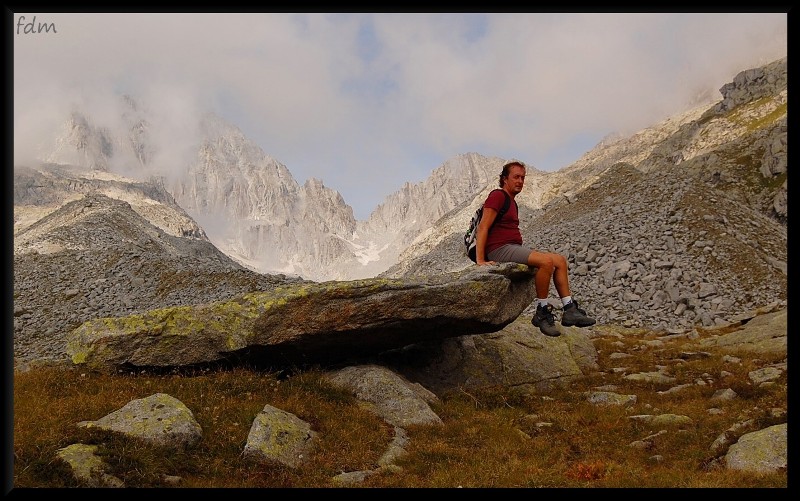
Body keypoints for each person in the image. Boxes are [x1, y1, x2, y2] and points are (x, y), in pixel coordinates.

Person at [475, 161, 595, 337]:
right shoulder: (497, 196)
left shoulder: (511, 201)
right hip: (499, 249)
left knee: (560, 261)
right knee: (545, 262)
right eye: (516, 177)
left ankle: (569, 309)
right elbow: (483, 227)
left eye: (523, 178)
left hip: (512, 248)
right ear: (504, 179)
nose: (520, 181)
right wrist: (480, 260)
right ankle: (541, 312)